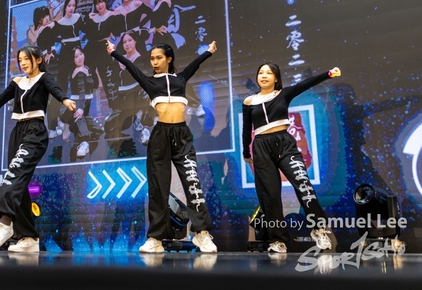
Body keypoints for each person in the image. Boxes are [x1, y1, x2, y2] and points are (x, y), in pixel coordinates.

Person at [0, 46, 76, 253]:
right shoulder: (17, 82)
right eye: (20, 59)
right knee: (19, 183)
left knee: (13, 175)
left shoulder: (44, 78)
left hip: (35, 132)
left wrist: (64, 99)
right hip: (18, 132)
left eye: (26, 59)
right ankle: (29, 237)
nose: (22, 63)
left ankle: (6, 222)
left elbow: (55, 89)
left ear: (38, 59)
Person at [106, 40, 219, 253]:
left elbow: (195, 64)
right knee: (158, 188)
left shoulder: (181, 79)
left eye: (159, 58)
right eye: (152, 59)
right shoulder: (149, 82)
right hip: (160, 136)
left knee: (192, 183)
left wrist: (209, 52)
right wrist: (114, 53)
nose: (155, 62)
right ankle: (156, 239)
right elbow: (131, 67)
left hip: (182, 135)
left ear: (169, 59)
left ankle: (202, 234)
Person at [242, 63, 341, 253]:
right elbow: (247, 128)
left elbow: (306, 83)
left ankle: (319, 229)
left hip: (285, 144)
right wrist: (246, 153)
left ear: (276, 78)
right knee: (270, 195)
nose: (264, 76)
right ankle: (278, 240)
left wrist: (328, 74)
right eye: (261, 72)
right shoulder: (249, 101)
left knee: (303, 183)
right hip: (261, 147)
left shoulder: (284, 94)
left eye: (269, 73)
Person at [60, 46, 104, 160]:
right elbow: (81, 94)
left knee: (99, 131)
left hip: (84, 108)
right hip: (76, 106)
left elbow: (95, 86)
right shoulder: (78, 72)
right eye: (76, 56)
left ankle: (69, 126)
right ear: (73, 59)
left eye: (80, 54)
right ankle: (82, 143)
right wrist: (80, 108)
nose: (79, 58)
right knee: (82, 128)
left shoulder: (87, 68)